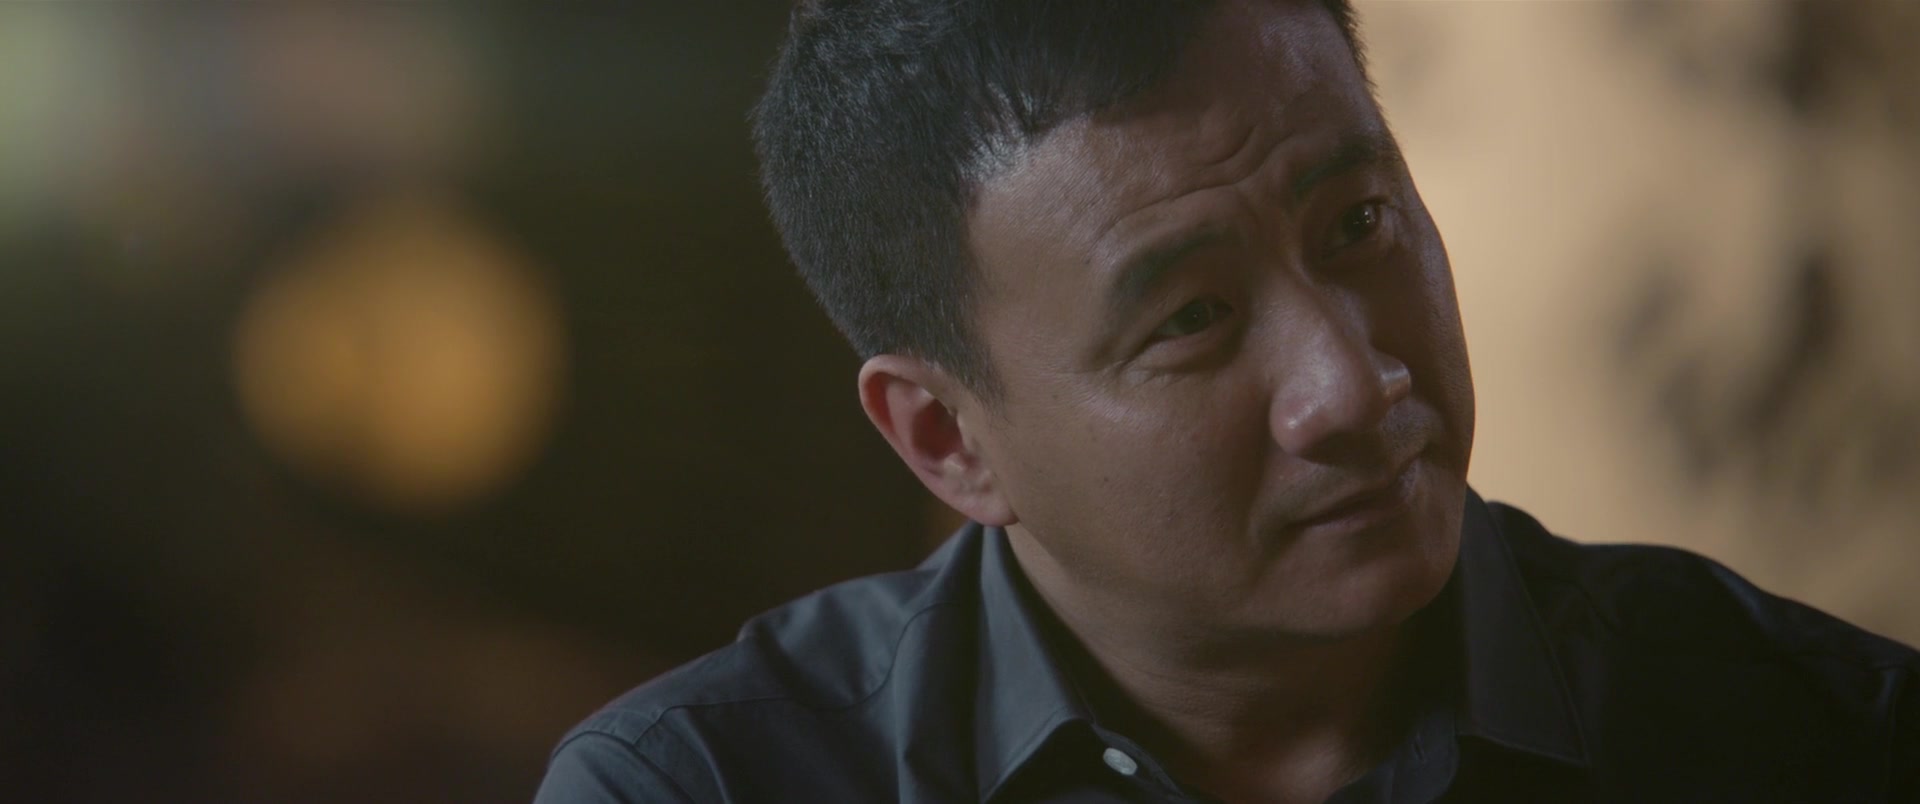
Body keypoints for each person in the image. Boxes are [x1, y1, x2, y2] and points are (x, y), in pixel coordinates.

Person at [535, 0, 1919, 800]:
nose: (1353, 385)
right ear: (950, 440)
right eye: (1191, 319)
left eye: (1360, 225)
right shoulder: (707, 786)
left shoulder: (1809, 738)